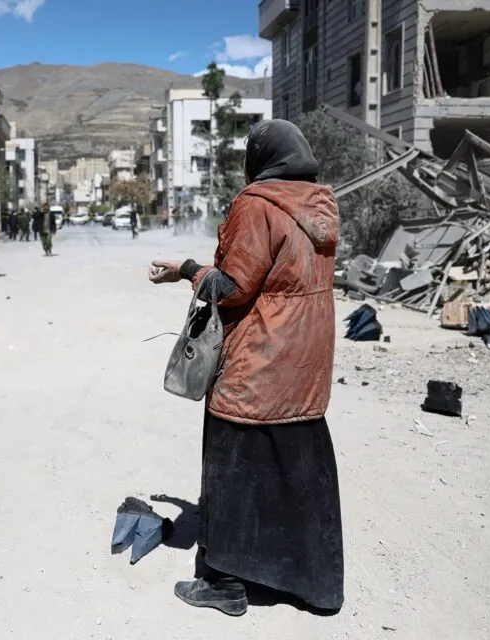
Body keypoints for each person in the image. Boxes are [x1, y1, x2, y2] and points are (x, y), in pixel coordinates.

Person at [148, 119, 342, 617]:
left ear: (260, 159)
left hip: (259, 359)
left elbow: (231, 288)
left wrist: (187, 270)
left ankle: (225, 584)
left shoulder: (257, 205)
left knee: (233, 467)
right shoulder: (319, 205)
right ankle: (314, 586)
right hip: (306, 361)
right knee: (296, 468)